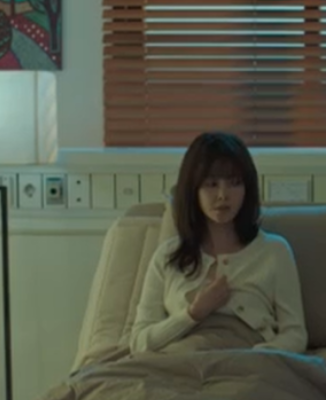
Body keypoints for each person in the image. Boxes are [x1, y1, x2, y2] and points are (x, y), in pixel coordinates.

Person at [129, 132, 308, 355]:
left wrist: (258, 357)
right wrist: (193, 313)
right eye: (211, 184)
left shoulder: (274, 251)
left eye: (234, 183)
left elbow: (295, 334)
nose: (223, 195)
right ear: (193, 190)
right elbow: (139, 342)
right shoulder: (167, 256)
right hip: (180, 363)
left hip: (249, 364)